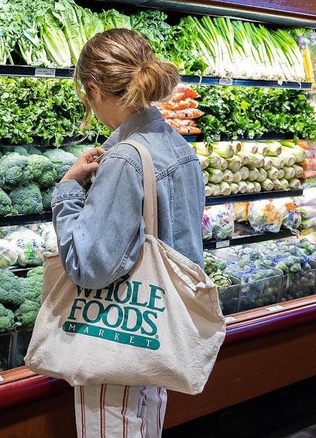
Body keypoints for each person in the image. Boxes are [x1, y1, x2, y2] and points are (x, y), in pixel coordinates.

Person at [51, 29, 205, 438]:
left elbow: (88, 264)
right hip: (156, 330)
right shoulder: (179, 148)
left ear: (93, 88)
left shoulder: (124, 159)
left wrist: (67, 190)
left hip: (115, 335)